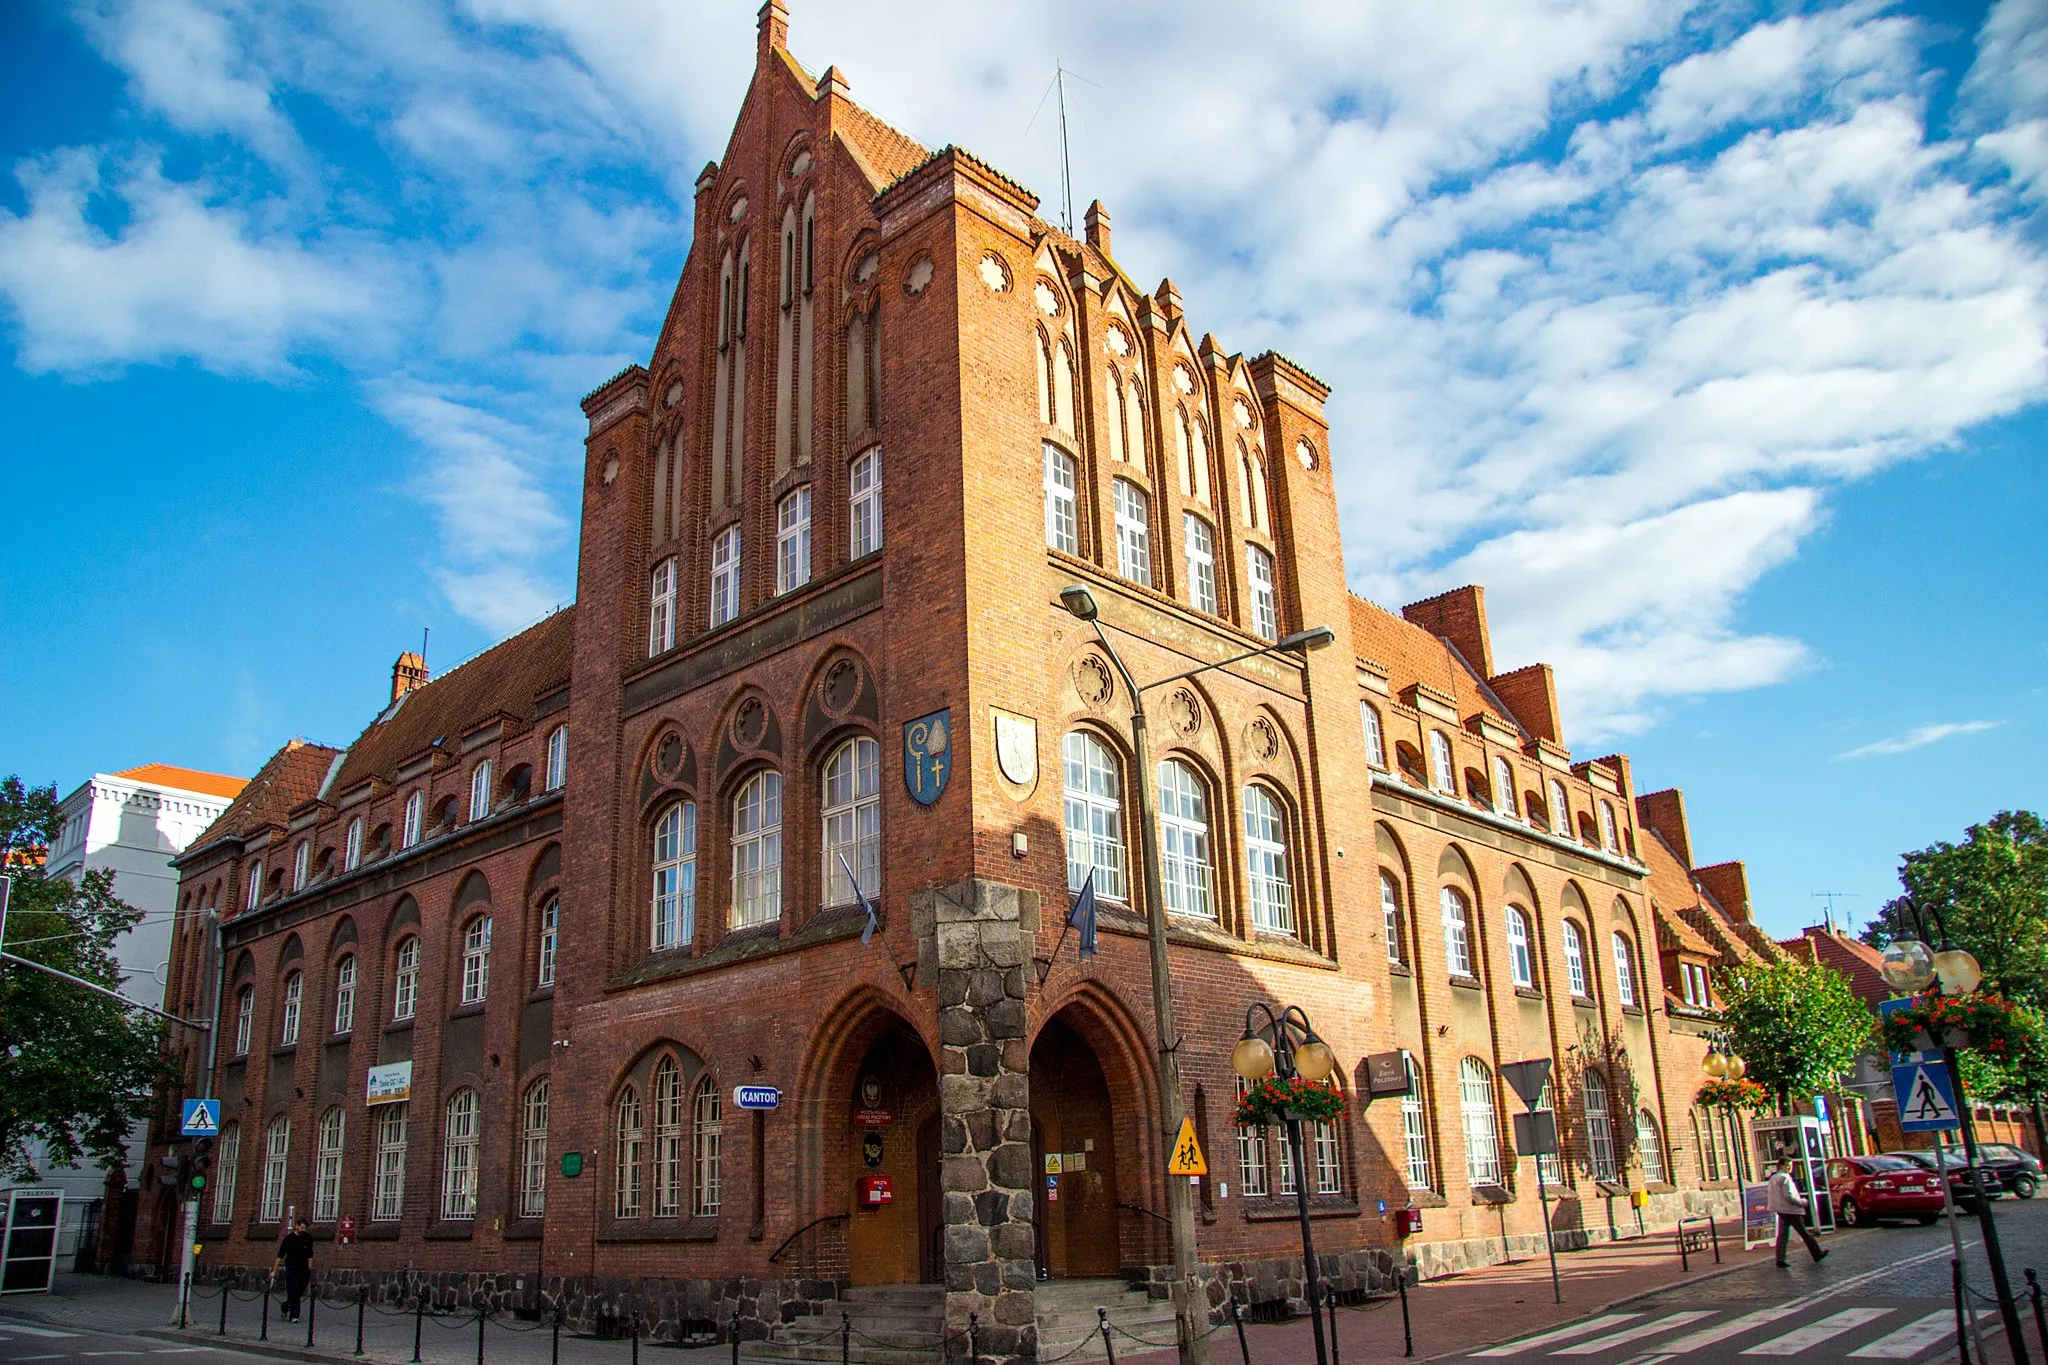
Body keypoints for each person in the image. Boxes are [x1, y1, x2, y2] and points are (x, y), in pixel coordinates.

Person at [1766, 1158, 1829, 1268]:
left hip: (1781, 1210)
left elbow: (1772, 1195)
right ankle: (1817, 1253)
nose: (1790, 1168)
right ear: (1781, 1166)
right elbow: (1789, 1196)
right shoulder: (1785, 1179)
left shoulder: (1773, 1178)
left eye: (1791, 1165)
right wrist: (1802, 1202)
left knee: (1783, 1235)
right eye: (1788, 1166)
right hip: (1791, 1210)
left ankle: (1780, 1259)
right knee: (1804, 1233)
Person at [274, 1218, 315, 1321]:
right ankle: (294, 1315)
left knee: (298, 1292)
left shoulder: (308, 1238)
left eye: (305, 1228)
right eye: (301, 1227)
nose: (303, 1230)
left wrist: (309, 1270)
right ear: (296, 1226)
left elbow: (310, 1255)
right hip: (292, 1268)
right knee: (294, 1290)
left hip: (303, 1269)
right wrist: (274, 1270)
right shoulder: (288, 1239)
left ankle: (285, 1306)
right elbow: (280, 1255)